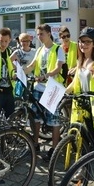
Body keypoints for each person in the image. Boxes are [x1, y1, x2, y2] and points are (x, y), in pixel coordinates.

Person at [24, 24, 65, 160]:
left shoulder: (58, 49)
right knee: (36, 117)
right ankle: (35, 144)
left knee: (53, 120)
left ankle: (54, 148)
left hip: (52, 88)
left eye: (41, 34)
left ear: (48, 34)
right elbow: (32, 66)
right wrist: (21, 73)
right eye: (37, 34)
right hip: (38, 87)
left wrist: (46, 75)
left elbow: (58, 68)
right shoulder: (40, 49)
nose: (39, 37)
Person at [65, 27, 94, 149]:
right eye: (81, 41)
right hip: (82, 104)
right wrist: (62, 93)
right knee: (86, 139)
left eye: (87, 42)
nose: (83, 45)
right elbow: (75, 83)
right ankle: (87, 165)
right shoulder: (81, 60)